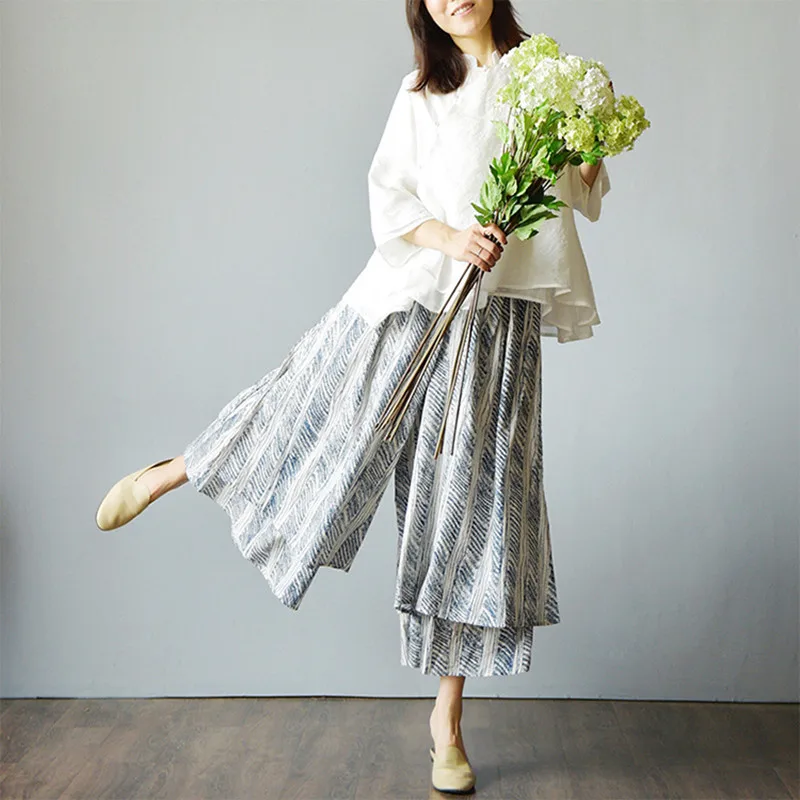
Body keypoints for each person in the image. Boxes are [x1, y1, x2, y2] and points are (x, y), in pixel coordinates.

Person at [95, 0, 611, 793]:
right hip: (413, 296)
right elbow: (392, 201)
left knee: (473, 504)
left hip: (497, 318)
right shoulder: (422, 93)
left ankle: (447, 725)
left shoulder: (542, 71)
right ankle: (180, 467)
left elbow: (578, 187)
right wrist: (453, 236)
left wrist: (590, 139)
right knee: (322, 421)